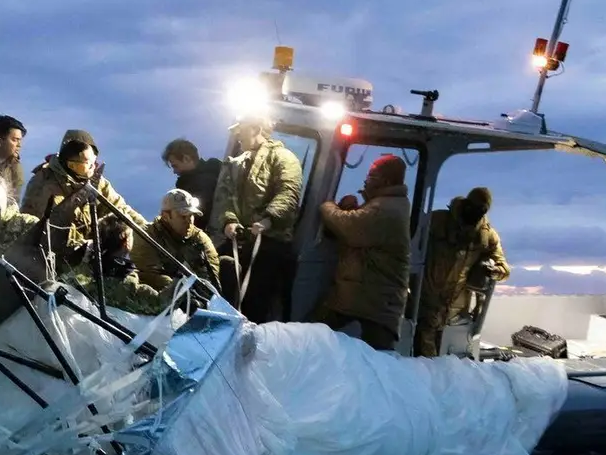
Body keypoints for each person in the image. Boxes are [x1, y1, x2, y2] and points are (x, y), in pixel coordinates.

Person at [313, 154, 411, 351]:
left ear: (385, 181)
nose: (366, 181)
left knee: (375, 363)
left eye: (371, 176)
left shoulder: (386, 209)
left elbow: (349, 228)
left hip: (374, 304)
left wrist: (327, 205)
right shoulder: (385, 204)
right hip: (368, 298)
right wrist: (353, 209)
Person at [213, 114, 303, 323]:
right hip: (240, 242)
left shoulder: (284, 158)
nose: (237, 135)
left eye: (241, 129)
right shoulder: (237, 163)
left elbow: (288, 193)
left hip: (270, 242)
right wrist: (229, 221)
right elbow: (226, 196)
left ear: (255, 129)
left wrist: (268, 220)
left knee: (257, 301)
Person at [21, 130, 145, 269]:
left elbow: (120, 209)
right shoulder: (44, 186)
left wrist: (147, 231)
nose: (94, 166)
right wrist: (92, 250)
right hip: (53, 262)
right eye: (88, 162)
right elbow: (52, 233)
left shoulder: (95, 181)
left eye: (95, 160)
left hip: (88, 253)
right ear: (71, 164)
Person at [414, 185, 510, 358]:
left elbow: (503, 268)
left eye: (481, 210)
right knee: (422, 349)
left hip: (453, 308)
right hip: (424, 299)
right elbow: (410, 240)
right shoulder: (437, 221)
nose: (476, 213)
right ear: (466, 203)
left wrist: (492, 270)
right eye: (473, 207)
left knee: (441, 354)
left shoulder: (486, 236)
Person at [131, 189, 220, 301]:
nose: (189, 221)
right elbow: (151, 274)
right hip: (161, 300)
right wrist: (183, 292)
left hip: (197, 297)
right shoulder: (146, 235)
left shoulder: (200, 238)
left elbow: (212, 275)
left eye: (191, 215)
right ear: (165, 216)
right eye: (183, 216)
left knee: (228, 263)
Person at [69, 216, 166, 316]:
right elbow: (160, 304)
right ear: (126, 243)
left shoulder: (79, 261)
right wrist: (179, 283)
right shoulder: (125, 285)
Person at [162, 138, 223, 228]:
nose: (174, 171)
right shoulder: (217, 172)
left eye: (175, 166)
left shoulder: (200, 182)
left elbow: (197, 215)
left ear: (186, 159)